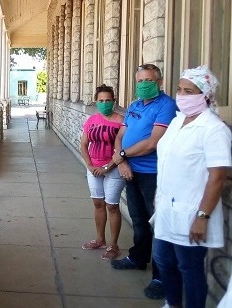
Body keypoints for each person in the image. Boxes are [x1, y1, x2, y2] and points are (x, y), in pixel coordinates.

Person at [152, 66, 231, 308]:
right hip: (167, 207)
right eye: (179, 89)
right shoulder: (177, 122)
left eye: (189, 91)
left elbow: (217, 176)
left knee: (190, 267)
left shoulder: (213, 129)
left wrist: (202, 216)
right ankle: (173, 303)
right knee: (163, 260)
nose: (182, 95)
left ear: (205, 95)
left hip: (192, 212)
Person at [111, 63, 177, 299]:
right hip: (131, 171)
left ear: (159, 82)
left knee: (159, 225)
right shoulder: (134, 105)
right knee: (138, 220)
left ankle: (161, 277)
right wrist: (122, 162)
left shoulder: (167, 105)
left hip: (154, 174)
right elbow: (120, 136)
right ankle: (138, 258)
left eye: (148, 80)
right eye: (140, 81)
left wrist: (122, 156)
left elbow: (152, 143)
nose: (143, 84)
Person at [80, 84, 125, 260]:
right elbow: (83, 145)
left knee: (112, 206)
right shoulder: (91, 121)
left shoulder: (122, 121)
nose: (104, 103)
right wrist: (90, 166)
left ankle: (113, 245)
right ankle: (100, 239)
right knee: (98, 204)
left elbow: (122, 149)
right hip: (94, 168)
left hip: (113, 168)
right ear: (96, 102)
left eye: (108, 100)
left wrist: (107, 167)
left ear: (113, 101)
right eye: (101, 101)